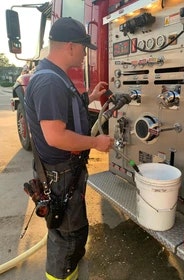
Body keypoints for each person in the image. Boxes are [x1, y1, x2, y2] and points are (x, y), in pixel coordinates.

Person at [24, 17, 114, 280]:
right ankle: (62, 275)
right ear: (71, 46)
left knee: (65, 228)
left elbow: (64, 109)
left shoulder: (52, 76)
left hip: (62, 173)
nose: (86, 55)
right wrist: (97, 142)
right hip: (60, 174)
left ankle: (68, 265)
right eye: (85, 48)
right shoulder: (50, 82)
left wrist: (91, 97)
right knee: (69, 235)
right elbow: (56, 136)